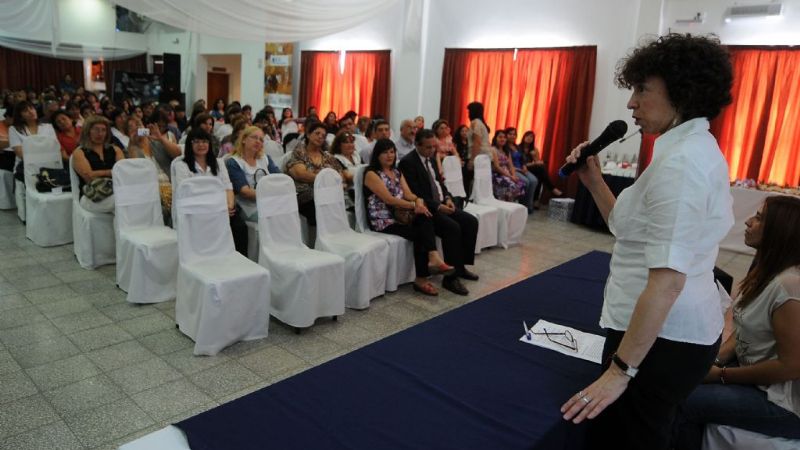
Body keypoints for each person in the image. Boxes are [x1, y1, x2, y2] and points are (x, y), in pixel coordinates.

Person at [558, 34, 735, 450]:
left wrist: (620, 371)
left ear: (682, 93)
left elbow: (667, 282)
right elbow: (629, 229)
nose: (630, 103)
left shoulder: (683, 164)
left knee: (627, 438)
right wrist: (593, 180)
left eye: (642, 90)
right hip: (668, 333)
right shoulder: (685, 149)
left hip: (663, 339)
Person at [672, 196, 800, 449]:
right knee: (676, 373)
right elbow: (743, 332)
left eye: (760, 218)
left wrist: (721, 375)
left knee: (683, 401)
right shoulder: (765, 271)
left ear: (780, 230)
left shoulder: (789, 286)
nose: (749, 222)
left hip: (783, 403)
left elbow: (792, 367)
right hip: (758, 378)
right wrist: (712, 361)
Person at [365, 138, 455, 296]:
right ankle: (424, 274)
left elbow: (408, 194)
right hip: (383, 220)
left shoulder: (397, 172)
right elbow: (389, 200)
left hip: (401, 216)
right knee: (421, 230)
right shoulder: (371, 173)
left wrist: (418, 201)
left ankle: (432, 260)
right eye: (385, 152)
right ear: (377, 155)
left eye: (392, 152)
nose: (389, 155)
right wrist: (415, 206)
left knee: (424, 218)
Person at [399, 129, 479, 297]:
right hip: (427, 209)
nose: (432, 150)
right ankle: (450, 279)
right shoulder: (408, 162)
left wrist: (448, 197)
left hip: (442, 203)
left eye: (434, 147)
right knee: (453, 227)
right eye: (428, 147)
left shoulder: (431, 159)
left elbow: (439, 183)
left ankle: (460, 267)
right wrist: (437, 206)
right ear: (417, 145)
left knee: (471, 222)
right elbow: (416, 193)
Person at [174, 128, 248, 256]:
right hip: (196, 210)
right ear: (189, 145)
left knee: (239, 226)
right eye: (196, 142)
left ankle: (237, 259)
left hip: (221, 209)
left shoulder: (218, 163)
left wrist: (228, 206)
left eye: (204, 141)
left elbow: (228, 187)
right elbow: (186, 193)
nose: (201, 145)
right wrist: (216, 207)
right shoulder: (181, 165)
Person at [286, 121, 350, 226]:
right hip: (305, 196)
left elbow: (340, 176)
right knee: (322, 204)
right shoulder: (300, 152)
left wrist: (317, 175)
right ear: (308, 134)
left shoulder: (328, 157)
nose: (320, 137)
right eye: (317, 133)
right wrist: (326, 178)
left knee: (335, 202)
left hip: (327, 194)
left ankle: (335, 235)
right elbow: (300, 174)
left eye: (323, 135)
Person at [225, 126, 280, 222]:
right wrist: (271, 193)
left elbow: (279, 179)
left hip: (269, 201)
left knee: (289, 213)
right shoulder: (234, 162)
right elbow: (245, 192)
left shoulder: (265, 158)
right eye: (254, 137)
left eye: (261, 140)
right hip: (248, 206)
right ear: (244, 140)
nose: (258, 141)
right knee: (275, 218)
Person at [72, 116, 125, 213]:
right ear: (88, 131)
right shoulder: (79, 152)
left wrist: (98, 173)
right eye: (96, 130)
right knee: (122, 201)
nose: (100, 133)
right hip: (91, 195)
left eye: (103, 130)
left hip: (116, 191)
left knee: (127, 200)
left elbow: (122, 173)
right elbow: (89, 177)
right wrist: (112, 172)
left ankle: (126, 228)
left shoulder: (115, 149)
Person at [127, 116, 174, 221]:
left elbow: (178, 155)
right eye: (131, 128)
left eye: (138, 125)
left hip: (170, 184)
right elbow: (138, 173)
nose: (136, 129)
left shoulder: (157, 143)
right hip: (151, 189)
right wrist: (132, 145)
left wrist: (161, 138)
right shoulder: (130, 149)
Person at [9, 101, 56, 182]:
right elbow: (21, 154)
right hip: (24, 169)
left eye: (32, 108)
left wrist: (31, 150)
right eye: (25, 111)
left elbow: (53, 148)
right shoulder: (14, 129)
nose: (31, 112)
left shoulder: (48, 127)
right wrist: (43, 151)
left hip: (48, 167)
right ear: (20, 116)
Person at [519, 130, 562, 208]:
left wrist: (534, 156)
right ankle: (551, 188)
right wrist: (535, 163)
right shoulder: (518, 148)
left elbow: (537, 162)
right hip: (522, 167)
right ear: (524, 137)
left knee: (539, 174)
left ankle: (536, 200)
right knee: (540, 170)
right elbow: (521, 163)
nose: (529, 138)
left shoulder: (534, 149)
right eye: (528, 136)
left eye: (531, 137)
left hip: (532, 168)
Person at [507, 127, 538, 213]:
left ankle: (528, 204)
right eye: (510, 134)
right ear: (507, 135)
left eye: (514, 134)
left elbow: (523, 159)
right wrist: (517, 169)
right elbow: (507, 163)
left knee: (534, 180)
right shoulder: (505, 147)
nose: (512, 136)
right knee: (526, 181)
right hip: (513, 169)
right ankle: (523, 206)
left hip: (521, 168)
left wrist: (524, 166)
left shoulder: (517, 147)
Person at [490, 130, 525, 203]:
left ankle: (512, 205)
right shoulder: (493, 149)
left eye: (504, 137)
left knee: (520, 183)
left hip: (507, 174)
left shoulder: (506, 151)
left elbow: (511, 166)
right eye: (500, 137)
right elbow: (497, 167)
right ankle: (504, 204)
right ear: (495, 138)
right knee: (512, 185)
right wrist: (510, 176)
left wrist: (514, 175)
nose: (502, 139)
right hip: (497, 175)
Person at [466, 102, 491, 170]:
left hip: (479, 157)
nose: (468, 114)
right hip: (485, 156)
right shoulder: (481, 123)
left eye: (469, 111)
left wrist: (472, 160)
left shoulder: (475, 123)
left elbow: (477, 143)